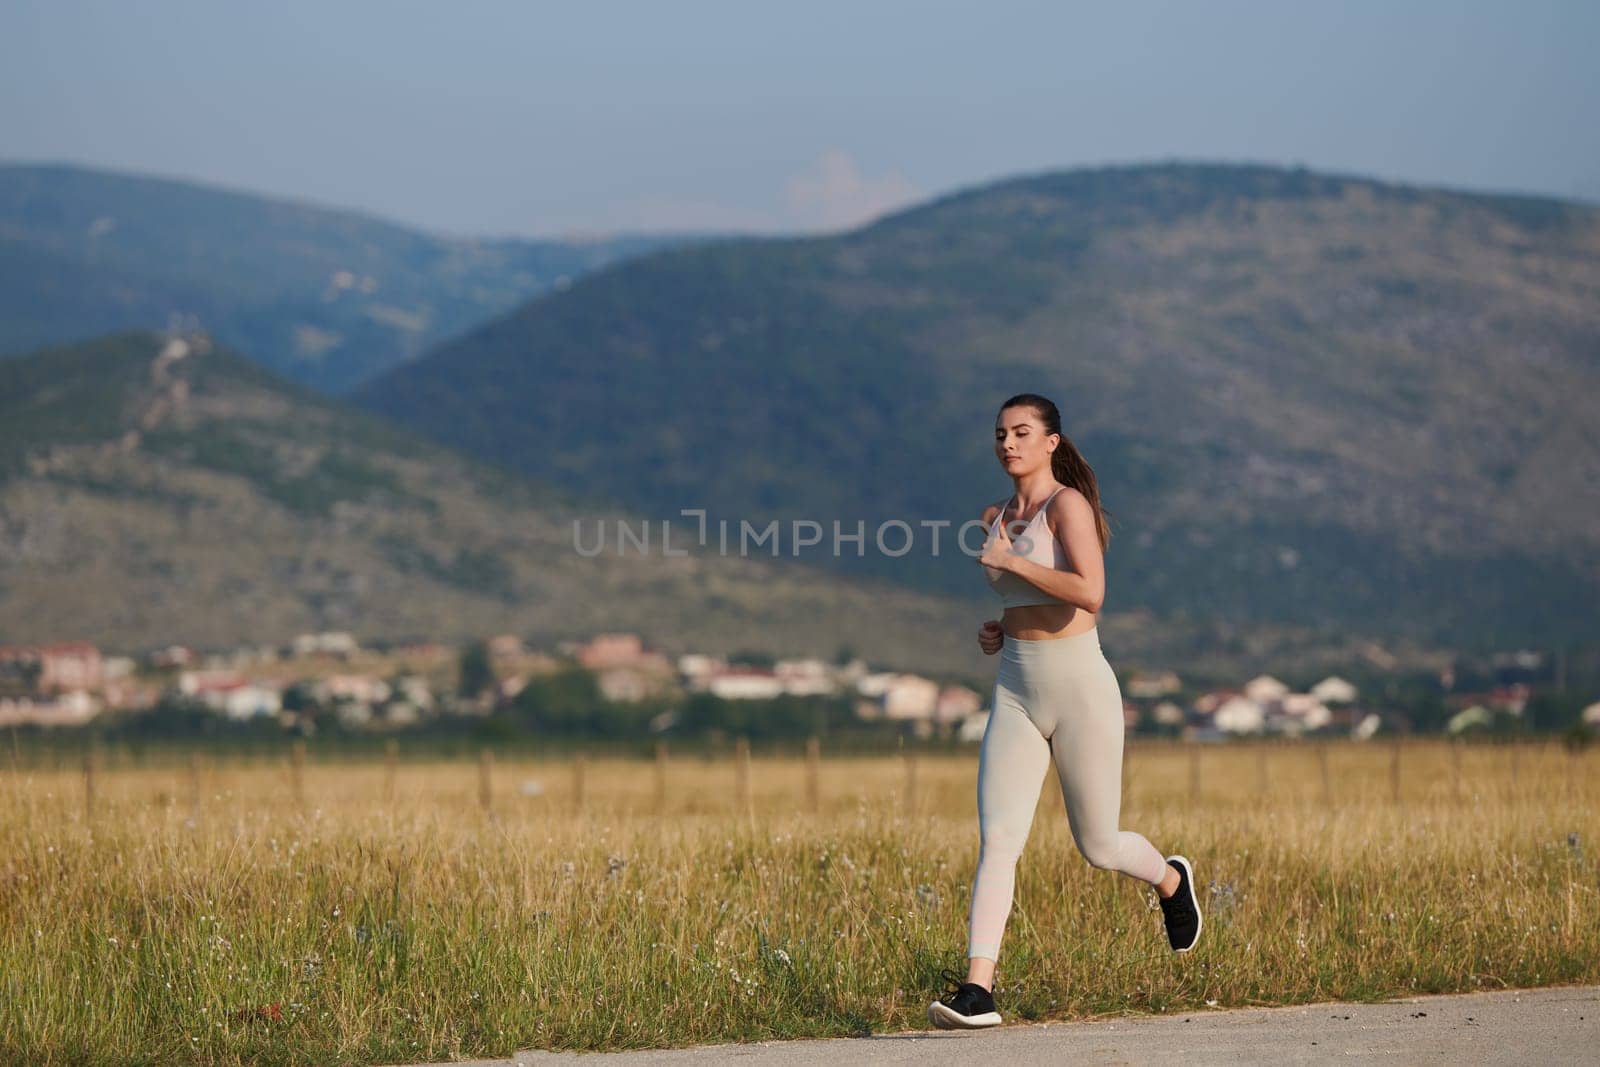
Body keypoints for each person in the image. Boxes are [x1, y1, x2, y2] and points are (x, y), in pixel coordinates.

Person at [927, 393, 1202, 1031]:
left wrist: (1013, 564)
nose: (1008, 443)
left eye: (1022, 432)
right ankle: (978, 990)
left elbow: (1091, 592)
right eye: (1000, 434)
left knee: (1099, 845)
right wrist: (1002, 626)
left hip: (1080, 686)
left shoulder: (1067, 506)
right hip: (1016, 686)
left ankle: (1168, 878)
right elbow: (1031, 596)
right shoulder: (993, 515)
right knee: (998, 839)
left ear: (1052, 441)